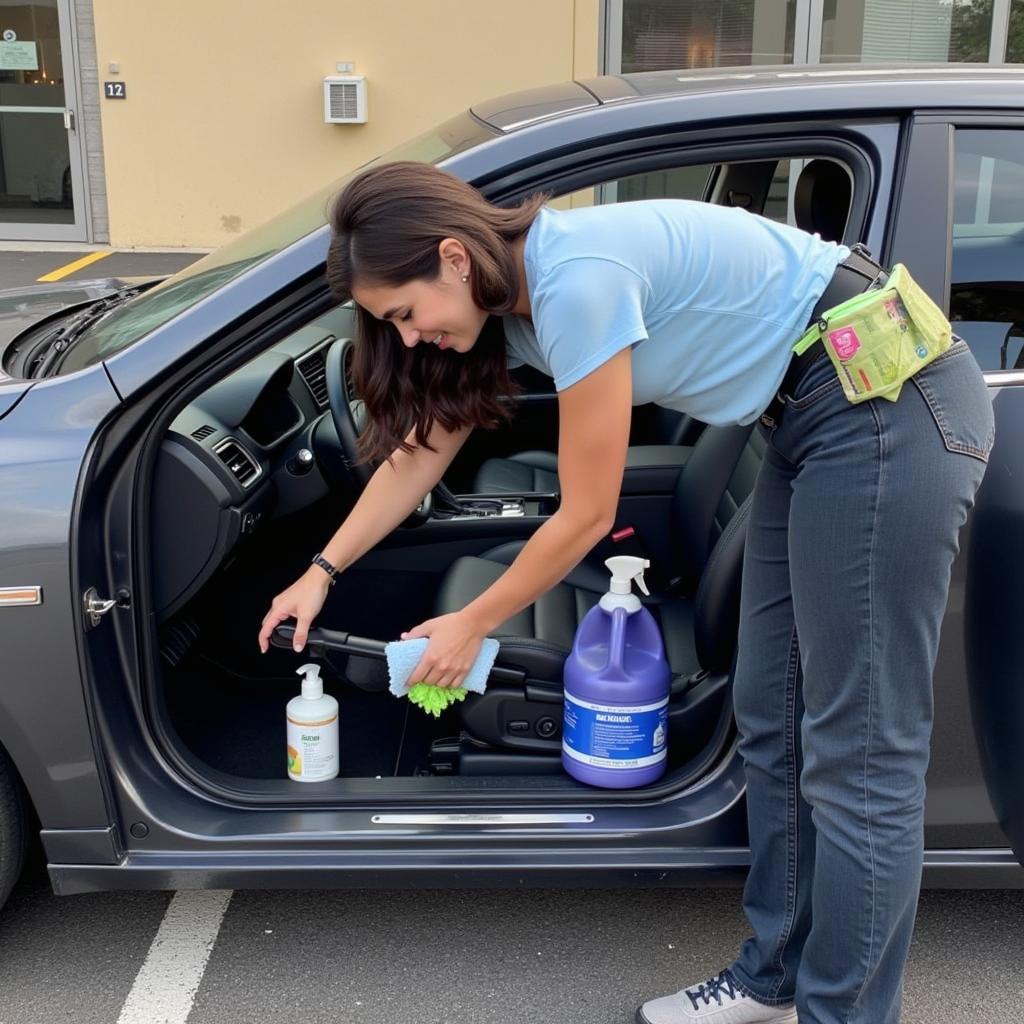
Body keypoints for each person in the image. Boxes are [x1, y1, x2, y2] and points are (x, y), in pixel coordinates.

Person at [257, 161, 995, 1024]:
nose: (409, 337)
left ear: (453, 257)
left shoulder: (576, 283)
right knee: (773, 713)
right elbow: (420, 451)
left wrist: (471, 623)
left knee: (861, 755)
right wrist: (320, 572)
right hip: (810, 412)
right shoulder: (502, 303)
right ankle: (775, 979)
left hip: (886, 402)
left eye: (405, 314)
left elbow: (587, 516)